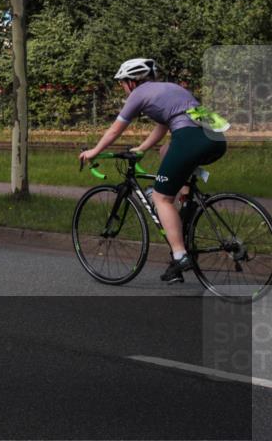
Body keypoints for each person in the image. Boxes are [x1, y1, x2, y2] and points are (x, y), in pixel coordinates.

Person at [79, 58, 227, 284]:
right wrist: (142, 148)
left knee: (161, 198)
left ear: (132, 81)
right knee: (166, 150)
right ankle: (186, 198)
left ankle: (180, 255)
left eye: (122, 82)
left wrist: (94, 151)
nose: (122, 87)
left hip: (191, 140)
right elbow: (164, 126)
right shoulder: (172, 88)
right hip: (216, 138)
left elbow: (115, 130)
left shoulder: (138, 94)